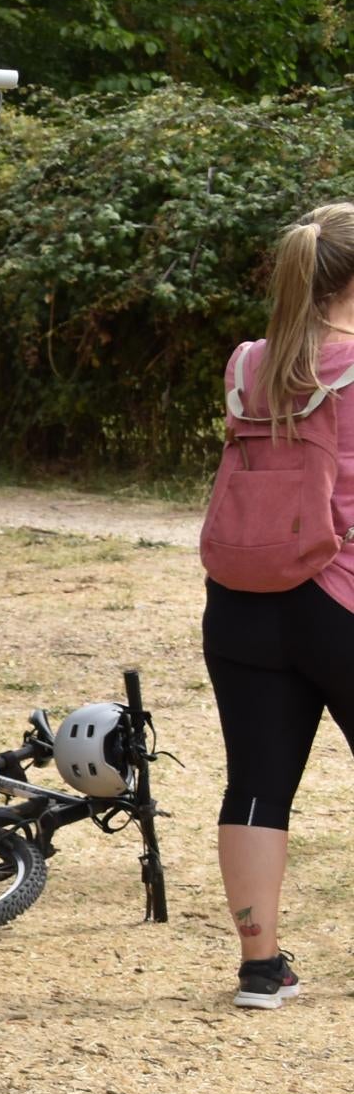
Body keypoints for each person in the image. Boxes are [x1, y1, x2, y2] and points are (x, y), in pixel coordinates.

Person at [204, 204, 354, 1007]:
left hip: (242, 599)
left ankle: (260, 969)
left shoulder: (246, 364)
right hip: (343, 599)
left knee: (257, 782)